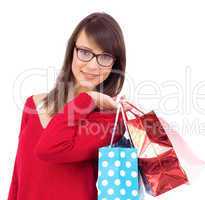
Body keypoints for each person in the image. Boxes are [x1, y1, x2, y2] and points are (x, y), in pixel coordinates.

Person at [8, 12, 132, 200]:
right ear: (71, 51)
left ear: (115, 63)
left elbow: (48, 149)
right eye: (84, 52)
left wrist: (88, 99)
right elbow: (18, 178)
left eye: (105, 56)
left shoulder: (109, 121)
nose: (92, 66)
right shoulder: (33, 105)